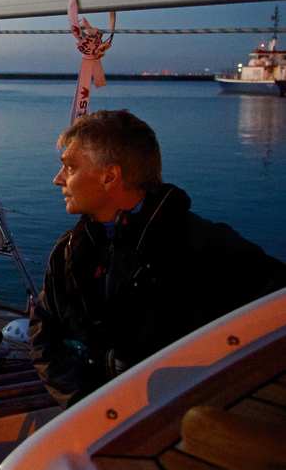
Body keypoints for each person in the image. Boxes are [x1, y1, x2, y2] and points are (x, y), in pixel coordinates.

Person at [30, 109, 286, 407]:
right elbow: (43, 334)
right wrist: (85, 404)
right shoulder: (70, 251)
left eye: (70, 168)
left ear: (110, 176)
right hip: (97, 415)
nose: (57, 179)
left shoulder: (203, 246)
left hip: (176, 418)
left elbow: (274, 309)